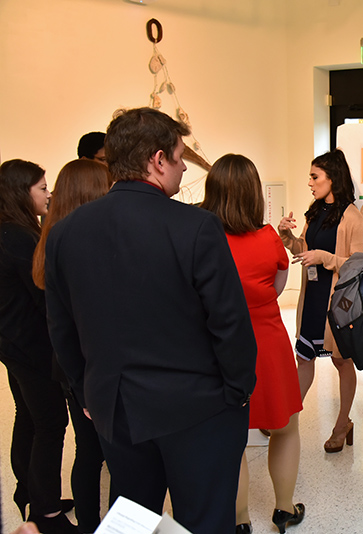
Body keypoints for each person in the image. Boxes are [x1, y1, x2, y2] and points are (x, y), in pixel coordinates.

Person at [45, 107, 257, 534]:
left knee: (134, 521)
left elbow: (61, 326)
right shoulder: (196, 227)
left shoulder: (66, 231)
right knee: (205, 520)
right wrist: (237, 391)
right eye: (179, 158)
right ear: (158, 160)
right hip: (198, 408)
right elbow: (229, 323)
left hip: (117, 410)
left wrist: (88, 391)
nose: (182, 168)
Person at [201, 154, 304, 534]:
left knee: (232, 439)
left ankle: (240, 519)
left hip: (219, 348)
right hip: (268, 345)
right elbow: (276, 291)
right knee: (286, 428)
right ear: (253, 194)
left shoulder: (202, 238)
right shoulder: (269, 239)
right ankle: (284, 509)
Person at [30, 159, 109, 534]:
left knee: (87, 452)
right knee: (107, 453)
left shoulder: (52, 236)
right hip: (90, 366)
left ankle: (92, 525)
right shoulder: (82, 244)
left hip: (70, 366)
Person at [0, 159, 77, 533]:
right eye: (42, 188)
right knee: (50, 423)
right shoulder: (18, 236)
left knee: (29, 419)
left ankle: (31, 493)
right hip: (30, 348)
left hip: (14, 345)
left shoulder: (11, 230)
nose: (49, 194)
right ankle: (45, 511)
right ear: (21, 192)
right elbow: (41, 294)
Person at [278, 149, 363, 453]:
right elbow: (304, 248)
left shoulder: (352, 216)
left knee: (342, 360)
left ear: (333, 178)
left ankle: (343, 424)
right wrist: (288, 238)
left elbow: (359, 265)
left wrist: (325, 258)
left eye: (315, 177)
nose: (310, 183)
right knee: (304, 357)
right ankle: (287, 417)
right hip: (313, 296)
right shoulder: (314, 211)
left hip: (338, 302)